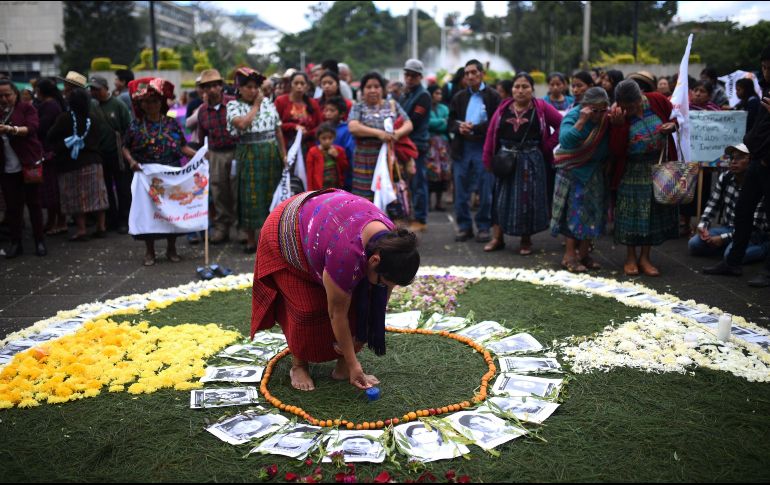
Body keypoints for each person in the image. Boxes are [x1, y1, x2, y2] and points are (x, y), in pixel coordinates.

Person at [251, 189, 420, 391]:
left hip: (324, 228)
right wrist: (354, 364)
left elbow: (378, 299)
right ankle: (299, 365)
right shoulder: (346, 255)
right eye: (386, 282)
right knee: (308, 309)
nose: (387, 289)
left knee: (364, 300)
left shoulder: (392, 243)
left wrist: (359, 341)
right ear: (374, 261)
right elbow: (336, 314)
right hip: (288, 231)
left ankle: (342, 366)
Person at [704, 46, 770, 286]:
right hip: (758, 161)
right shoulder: (765, 91)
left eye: (769, 68)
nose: (766, 72)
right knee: (743, 211)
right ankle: (733, 262)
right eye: (764, 67)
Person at [482, 73, 562, 255]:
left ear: (532, 89)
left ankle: (526, 241)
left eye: (525, 86)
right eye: (517, 86)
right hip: (505, 159)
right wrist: (487, 158)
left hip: (530, 161)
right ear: (512, 89)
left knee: (527, 200)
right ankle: (498, 238)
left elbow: (561, 124)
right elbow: (490, 134)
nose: (520, 90)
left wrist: (547, 146)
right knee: (500, 198)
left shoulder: (540, 108)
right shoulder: (503, 108)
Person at [123, 77, 197, 266]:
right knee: (149, 213)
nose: (151, 105)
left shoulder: (171, 124)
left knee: (171, 212)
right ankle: (150, 252)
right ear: (141, 104)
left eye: (155, 101)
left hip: (169, 174)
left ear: (161, 103)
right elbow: (125, 147)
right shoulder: (136, 125)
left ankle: (171, 249)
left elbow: (182, 146)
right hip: (146, 175)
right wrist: (131, 161)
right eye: (147, 102)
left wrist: (199, 156)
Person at [608, 79, 679, 276]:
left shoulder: (657, 100)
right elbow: (616, 150)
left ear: (641, 96)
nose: (631, 109)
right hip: (631, 169)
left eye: (634, 104)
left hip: (656, 167)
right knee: (630, 214)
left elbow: (677, 118)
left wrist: (671, 126)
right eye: (626, 106)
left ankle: (645, 257)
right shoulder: (616, 114)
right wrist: (620, 126)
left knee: (651, 214)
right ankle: (630, 257)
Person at [226, 67, 287, 254]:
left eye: (256, 87)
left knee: (272, 193)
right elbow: (242, 124)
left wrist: (283, 154)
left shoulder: (269, 103)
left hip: (270, 152)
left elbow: (278, 130)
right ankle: (251, 238)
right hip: (249, 153)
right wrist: (256, 106)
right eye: (249, 87)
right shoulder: (233, 106)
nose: (253, 91)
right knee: (250, 196)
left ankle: (271, 236)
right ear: (240, 88)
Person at [549, 87, 611, 272]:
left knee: (593, 214)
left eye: (602, 110)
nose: (599, 115)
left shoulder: (607, 119)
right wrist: (582, 121)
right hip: (573, 172)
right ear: (585, 107)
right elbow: (566, 140)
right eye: (595, 110)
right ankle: (569, 256)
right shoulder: (574, 116)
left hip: (595, 172)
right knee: (573, 215)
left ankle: (584, 254)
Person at [448, 60, 501, 243]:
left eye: (473, 72)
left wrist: (475, 128)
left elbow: (496, 123)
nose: (470, 76)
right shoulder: (459, 96)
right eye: (467, 73)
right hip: (462, 147)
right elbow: (450, 121)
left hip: (483, 147)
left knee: (485, 189)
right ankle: (464, 226)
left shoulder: (493, 96)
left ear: (481, 74)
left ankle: (484, 227)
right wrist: (459, 127)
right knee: (460, 189)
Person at [689, 143, 768, 264]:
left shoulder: (759, 183)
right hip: (729, 227)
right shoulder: (725, 177)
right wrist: (703, 225)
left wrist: (723, 238)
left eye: (740, 157)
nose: (733, 162)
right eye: (732, 158)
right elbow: (713, 204)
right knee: (694, 244)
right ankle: (728, 247)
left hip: (753, 233)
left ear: (751, 161)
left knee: (731, 256)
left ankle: (765, 248)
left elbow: (754, 226)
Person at [47, 87, 108, 242]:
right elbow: (100, 137)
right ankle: (101, 226)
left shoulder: (64, 118)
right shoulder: (93, 118)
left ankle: (81, 230)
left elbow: (50, 136)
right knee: (97, 196)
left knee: (75, 197)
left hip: (71, 164)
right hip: (94, 162)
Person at [0, 79, 47, 257]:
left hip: (28, 163)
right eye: (0, 96)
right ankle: (15, 242)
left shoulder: (26, 108)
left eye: (7, 95)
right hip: (7, 167)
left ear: (15, 94)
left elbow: (32, 128)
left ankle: (39, 241)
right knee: (13, 207)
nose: (4, 99)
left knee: (34, 204)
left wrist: (11, 129)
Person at [348, 72, 412, 201]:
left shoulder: (392, 104)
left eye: (376, 87)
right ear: (363, 90)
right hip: (365, 159)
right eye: (368, 87)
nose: (373, 90)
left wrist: (397, 134)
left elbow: (408, 124)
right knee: (366, 199)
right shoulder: (358, 107)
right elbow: (353, 127)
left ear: (382, 89)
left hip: (390, 159)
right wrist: (379, 134)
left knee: (390, 196)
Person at [197, 69, 239, 245]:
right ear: (204, 89)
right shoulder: (202, 111)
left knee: (236, 189)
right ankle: (222, 226)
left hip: (235, 150)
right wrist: (204, 153)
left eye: (216, 85)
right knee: (218, 190)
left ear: (221, 86)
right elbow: (201, 135)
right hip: (215, 153)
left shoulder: (233, 104)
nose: (213, 89)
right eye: (208, 86)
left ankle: (238, 226)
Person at [89, 75, 132, 234]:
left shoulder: (118, 104)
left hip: (118, 153)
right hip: (101, 154)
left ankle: (124, 219)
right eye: (92, 89)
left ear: (105, 88)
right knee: (105, 189)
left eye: (97, 89)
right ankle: (111, 219)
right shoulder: (92, 106)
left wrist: (126, 148)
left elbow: (129, 127)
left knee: (122, 188)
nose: (94, 92)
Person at [399, 59, 432, 233]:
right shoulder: (407, 94)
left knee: (419, 182)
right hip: (405, 143)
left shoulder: (423, 96)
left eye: (413, 75)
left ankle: (421, 218)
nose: (409, 78)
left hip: (417, 144)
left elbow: (414, 121)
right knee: (407, 183)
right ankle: (411, 214)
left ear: (420, 77)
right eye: (407, 75)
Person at [35, 78, 66, 236]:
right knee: (52, 189)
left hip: (49, 152)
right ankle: (53, 220)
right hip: (51, 151)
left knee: (53, 189)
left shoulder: (49, 106)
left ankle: (58, 221)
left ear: (40, 91)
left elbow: (41, 128)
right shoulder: (54, 104)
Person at [275, 71, 322, 159]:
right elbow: (275, 125)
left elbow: (319, 126)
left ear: (307, 86)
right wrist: (293, 126)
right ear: (290, 85)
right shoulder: (280, 101)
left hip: (308, 146)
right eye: (296, 83)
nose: (299, 86)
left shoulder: (313, 103)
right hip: (286, 146)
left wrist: (307, 133)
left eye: (302, 83)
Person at [321, 96, 355, 191]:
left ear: (342, 114)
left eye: (332, 111)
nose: (328, 113)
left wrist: (338, 155)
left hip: (342, 176)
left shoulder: (346, 130)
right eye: (326, 110)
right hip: (324, 175)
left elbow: (349, 153)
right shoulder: (322, 129)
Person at [426, 85, 451, 212]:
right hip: (430, 145)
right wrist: (441, 121)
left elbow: (447, 124)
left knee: (443, 173)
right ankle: (429, 202)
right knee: (430, 172)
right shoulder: (426, 108)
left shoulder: (444, 108)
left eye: (440, 93)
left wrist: (436, 123)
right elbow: (427, 123)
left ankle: (439, 202)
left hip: (442, 146)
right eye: (436, 93)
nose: (439, 96)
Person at [305, 122, 348, 191]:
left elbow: (345, 167)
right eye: (324, 138)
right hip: (319, 187)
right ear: (318, 138)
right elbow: (309, 174)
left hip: (336, 186)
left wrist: (337, 156)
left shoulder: (339, 150)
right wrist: (310, 192)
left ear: (334, 137)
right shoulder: (312, 152)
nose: (327, 141)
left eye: (330, 138)